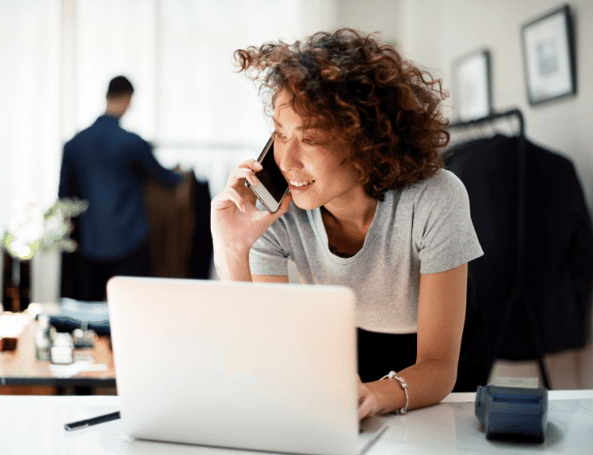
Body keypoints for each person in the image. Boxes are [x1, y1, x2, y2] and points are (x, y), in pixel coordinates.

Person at [211, 29, 483, 420]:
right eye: (280, 133)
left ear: (365, 140)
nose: (286, 161)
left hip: (434, 363)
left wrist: (374, 396)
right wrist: (234, 249)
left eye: (310, 137)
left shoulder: (436, 198)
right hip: (345, 347)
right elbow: (261, 357)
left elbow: (439, 367)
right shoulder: (276, 214)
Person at [59, 75, 183, 301]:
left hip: (90, 243)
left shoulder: (74, 144)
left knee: (90, 318)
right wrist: (180, 173)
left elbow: (65, 198)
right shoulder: (133, 143)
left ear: (107, 96)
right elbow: (165, 178)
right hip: (130, 241)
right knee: (133, 311)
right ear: (128, 99)